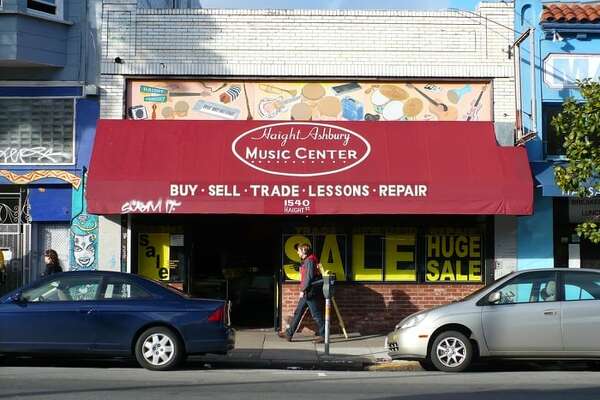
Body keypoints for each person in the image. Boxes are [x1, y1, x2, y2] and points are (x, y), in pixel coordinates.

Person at [278, 243, 325, 343]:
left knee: (316, 314)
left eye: (299, 251)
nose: (297, 252)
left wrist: (302, 290)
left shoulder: (309, 261)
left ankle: (323, 335)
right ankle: (289, 333)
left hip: (309, 292)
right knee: (298, 313)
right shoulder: (307, 260)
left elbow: (309, 278)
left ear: (304, 251)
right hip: (307, 292)